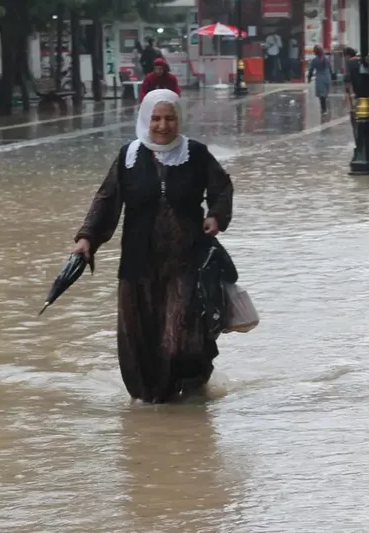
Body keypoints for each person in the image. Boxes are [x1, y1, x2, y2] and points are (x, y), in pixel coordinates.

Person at [71, 89, 234, 403]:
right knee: (140, 341)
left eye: (169, 118)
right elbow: (106, 201)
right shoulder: (128, 158)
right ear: (146, 119)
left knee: (179, 340)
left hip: (185, 264)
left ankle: (193, 383)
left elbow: (222, 187)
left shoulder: (196, 154)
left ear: (179, 119)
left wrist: (215, 216)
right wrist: (86, 239)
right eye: (156, 118)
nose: (163, 125)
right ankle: (154, 405)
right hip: (138, 265)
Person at [307, 45, 332, 114]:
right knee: (325, 93)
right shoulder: (326, 59)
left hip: (320, 77)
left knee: (322, 95)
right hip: (327, 76)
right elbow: (330, 68)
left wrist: (309, 78)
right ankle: (326, 108)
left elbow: (311, 70)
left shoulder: (314, 60)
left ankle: (324, 109)